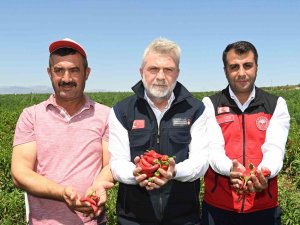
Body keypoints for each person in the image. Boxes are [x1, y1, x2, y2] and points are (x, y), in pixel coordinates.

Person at [108, 37, 213, 225]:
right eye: (153, 69)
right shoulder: (122, 111)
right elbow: (117, 163)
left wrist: (173, 171)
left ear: (177, 73)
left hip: (183, 217)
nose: (161, 76)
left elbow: (201, 161)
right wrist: (138, 173)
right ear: (142, 72)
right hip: (134, 218)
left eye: (169, 69)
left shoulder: (196, 110)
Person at [11, 38, 114, 225]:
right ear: (50, 73)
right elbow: (20, 173)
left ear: (87, 73)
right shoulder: (31, 116)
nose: (66, 79)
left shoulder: (106, 115)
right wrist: (62, 192)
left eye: (74, 70)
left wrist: (99, 184)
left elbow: (110, 164)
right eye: (59, 70)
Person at [202, 41, 290, 225]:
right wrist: (230, 169)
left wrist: (263, 173)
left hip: (264, 207)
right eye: (234, 67)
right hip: (219, 207)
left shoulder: (275, 104)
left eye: (247, 65)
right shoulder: (210, 104)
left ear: (256, 67)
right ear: (225, 70)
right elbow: (213, 150)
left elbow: (274, 149)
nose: (241, 73)